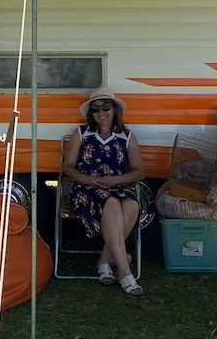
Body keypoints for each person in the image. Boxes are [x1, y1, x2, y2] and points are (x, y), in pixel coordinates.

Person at [63, 86, 145, 296]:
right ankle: (125, 273)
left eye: (106, 106)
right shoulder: (81, 133)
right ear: (91, 112)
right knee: (111, 203)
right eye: (96, 108)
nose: (101, 112)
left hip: (115, 184)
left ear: (115, 109)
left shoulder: (126, 136)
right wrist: (87, 178)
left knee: (132, 205)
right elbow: (67, 166)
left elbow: (139, 171)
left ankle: (104, 261)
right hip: (85, 188)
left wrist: (114, 180)